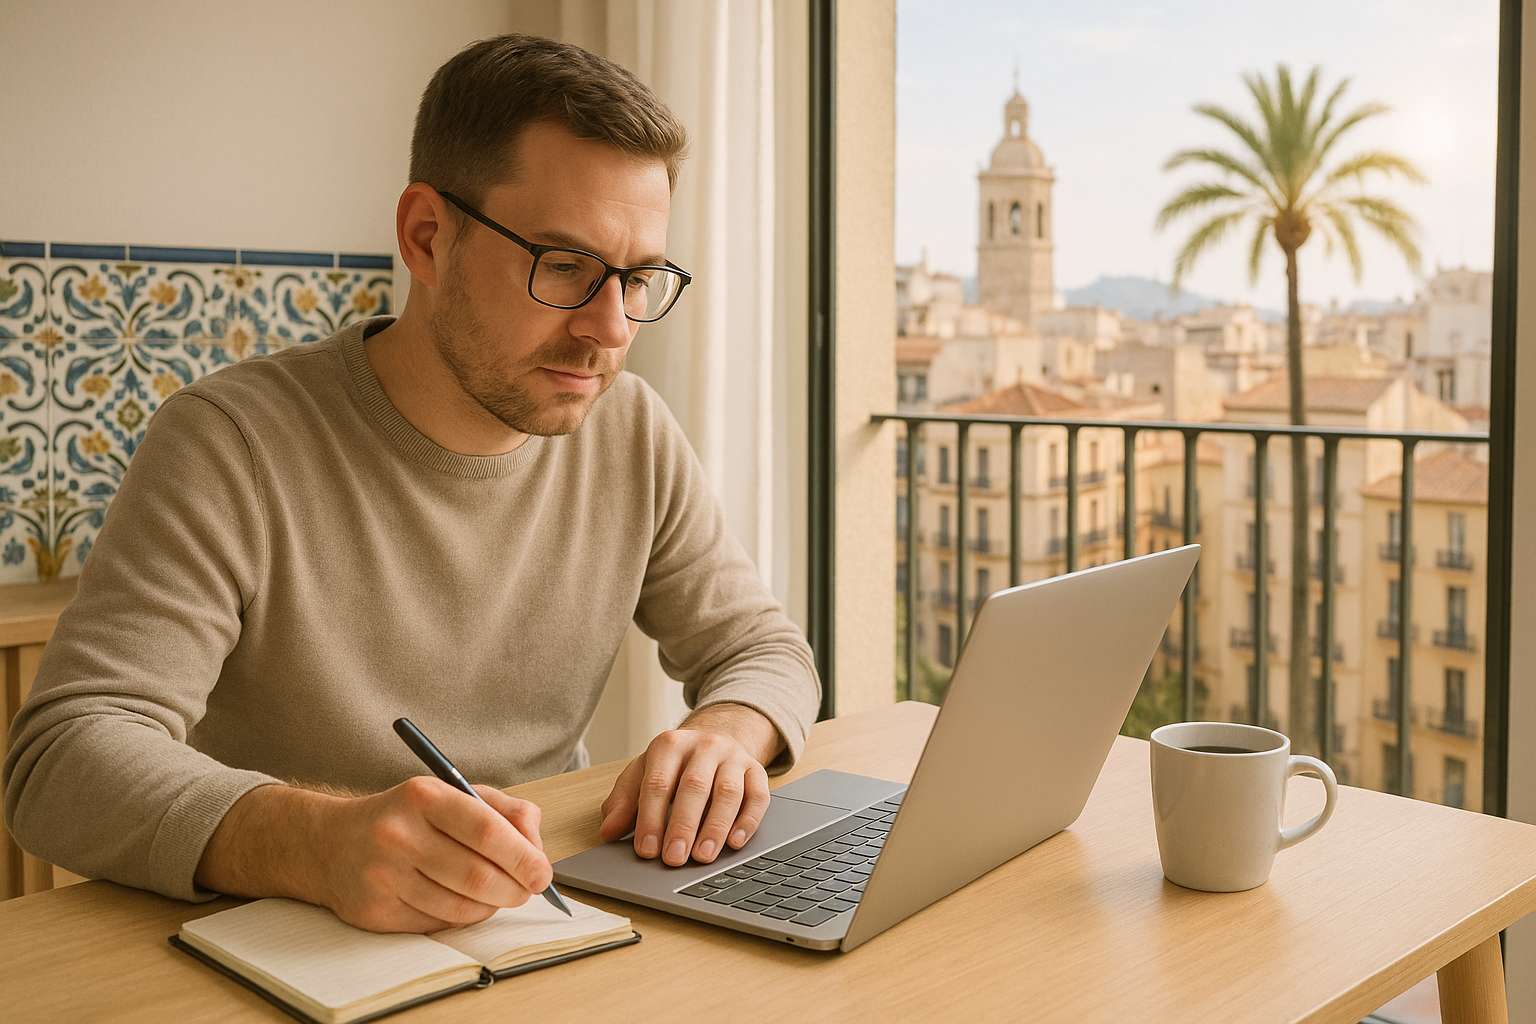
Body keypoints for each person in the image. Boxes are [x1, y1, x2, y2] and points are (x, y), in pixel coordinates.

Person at [2, 34, 818, 934]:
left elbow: (767, 649)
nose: (611, 329)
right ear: (427, 237)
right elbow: (61, 760)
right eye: (566, 268)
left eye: (638, 277)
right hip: (286, 937)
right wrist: (316, 841)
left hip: (539, 921)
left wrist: (727, 738)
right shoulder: (230, 442)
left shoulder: (631, 429)